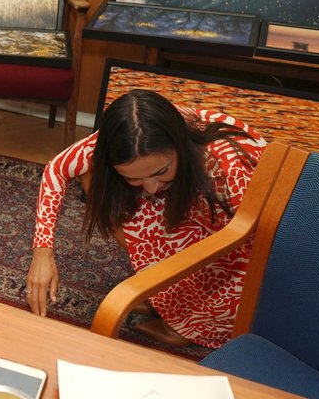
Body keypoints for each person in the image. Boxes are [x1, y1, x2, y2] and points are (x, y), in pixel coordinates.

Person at [26, 89, 267, 349]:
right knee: (94, 177)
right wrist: (42, 253)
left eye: (161, 171)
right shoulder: (131, 132)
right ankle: (166, 298)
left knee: (217, 263)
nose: (150, 188)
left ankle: (190, 321)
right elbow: (57, 169)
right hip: (189, 197)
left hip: (244, 239)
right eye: (134, 178)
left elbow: (256, 250)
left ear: (178, 146)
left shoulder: (228, 172)